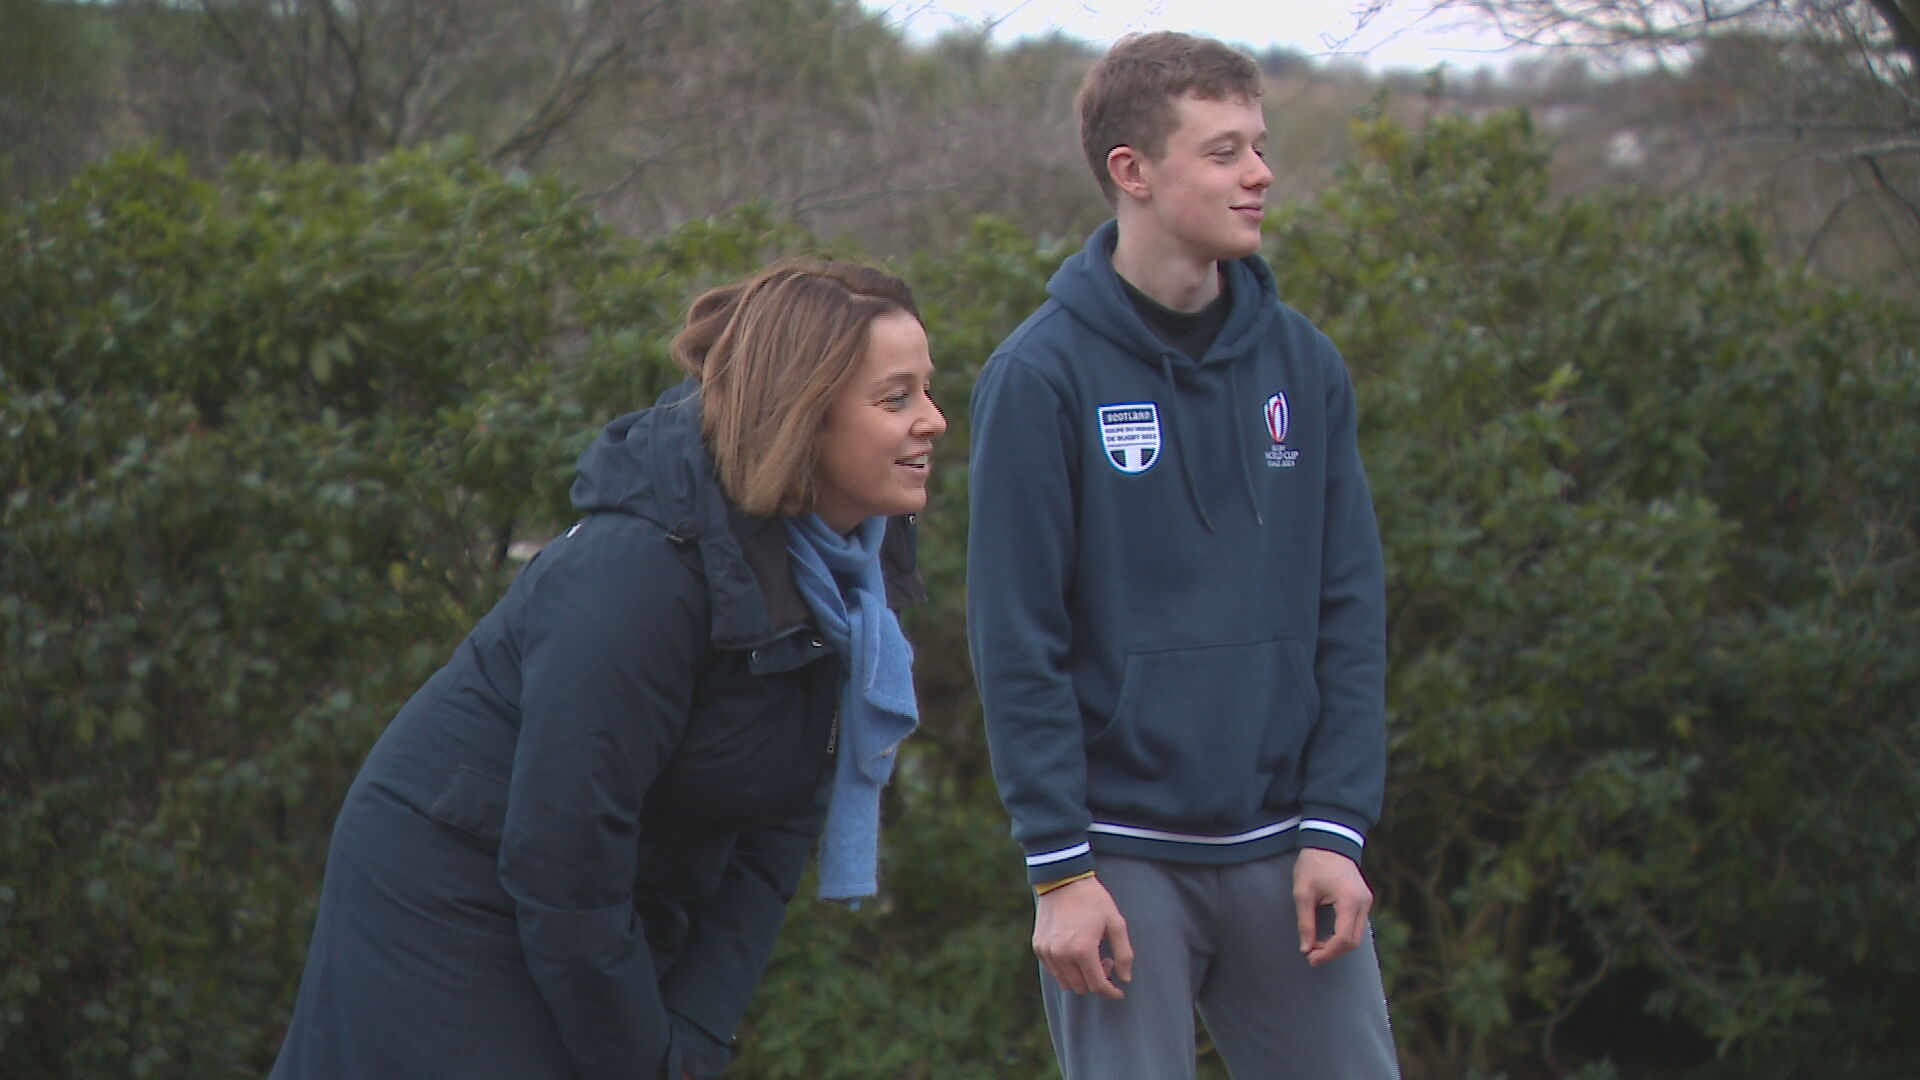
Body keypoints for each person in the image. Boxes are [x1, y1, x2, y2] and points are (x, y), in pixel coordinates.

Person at [270, 261, 947, 1080]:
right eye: (896, 398)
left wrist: (693, 1038)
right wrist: (643, 1061)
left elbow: (772, 836)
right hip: (455, 896)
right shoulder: (639, 573)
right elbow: (563, 858)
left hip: (605, 911)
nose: (934, 421)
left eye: (926, 391)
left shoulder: (851, 574)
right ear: (802, 413)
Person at [966, 32, 1400, 1079]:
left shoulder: (1306, 363)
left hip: (1290, 849)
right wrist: (1058, 867)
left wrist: (1339, 825)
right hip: (1118, 860)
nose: (1260, 174)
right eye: (1223, 152)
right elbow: (1017, 639)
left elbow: (1350, 608)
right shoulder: (1040, 376)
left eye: (1259, 145)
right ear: (1134, 170)